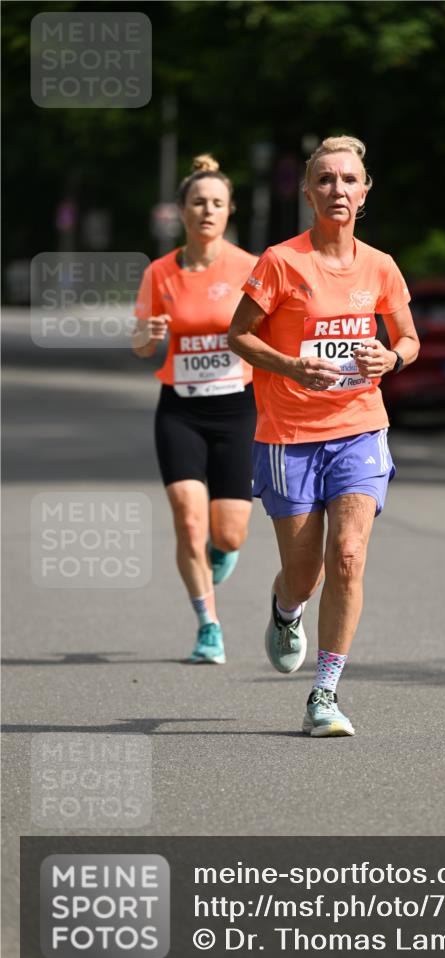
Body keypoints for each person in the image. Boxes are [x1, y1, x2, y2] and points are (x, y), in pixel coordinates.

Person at [228, 135, 419, 736]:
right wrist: (288, 365)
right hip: (288, 435)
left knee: (349, 555)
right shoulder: (281, 262)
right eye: (327, 180)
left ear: (365, 193)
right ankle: (287, 610)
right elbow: (239, 336)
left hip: (360, 427)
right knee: (305, 570)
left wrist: (392, 359)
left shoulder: (381, 266)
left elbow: (409, 339)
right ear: (309, 191)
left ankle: (325, 692)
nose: (339, 189)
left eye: (350, 180)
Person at [133, 154, 257, 664]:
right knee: (189, 520)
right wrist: (149, 335)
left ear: (229, 212)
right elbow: (141, 344)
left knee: (228, 533)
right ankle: (208, 624)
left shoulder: (251, 266)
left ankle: (220, 553)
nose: (208, 210)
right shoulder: (160, 273)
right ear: (182, 210)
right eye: (199, 202)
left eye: (218, 203)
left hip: (237, 410)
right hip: (180, 409)